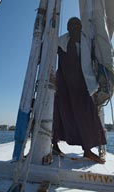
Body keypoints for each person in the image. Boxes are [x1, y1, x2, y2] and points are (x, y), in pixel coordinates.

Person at [52, 17, 107, 164]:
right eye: (71, 24)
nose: (74, 26)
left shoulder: (87, 43)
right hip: (63, 84)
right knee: (59, 113)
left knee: (87, 116)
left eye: (77, 24)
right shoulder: (61, 42)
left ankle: (87, 150)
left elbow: (95, 60)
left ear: (81, 27)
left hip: (83, 84)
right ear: (68, 28)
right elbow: (48, 47)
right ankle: (54, 146)